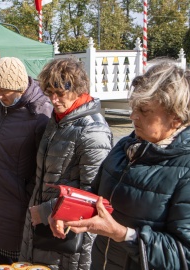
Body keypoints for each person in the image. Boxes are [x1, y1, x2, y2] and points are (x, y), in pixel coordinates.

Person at [55, 60, 190, 269]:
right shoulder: (128, 146)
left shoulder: (185, 168)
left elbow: (184, 255)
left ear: (175, 117)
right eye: (134, 107)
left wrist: (123, 234)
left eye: (144, 110)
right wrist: (66, 212)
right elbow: (96, 195)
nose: (133, 116)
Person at [19, 58, 113, 269]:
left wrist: (45, 211)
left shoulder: (93, 130)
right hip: (44, 228)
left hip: (68, 235)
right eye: (50, 92)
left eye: (60, 93)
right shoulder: (59, 119)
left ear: (78, 90)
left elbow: (94, 193)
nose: (54, 99)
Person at [0, 57, 53, 263]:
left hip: (16, 207)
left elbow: (44, 166)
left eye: (4, 90)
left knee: (9, 262)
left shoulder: (40, 112)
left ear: (19, 86)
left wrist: (27, 194)